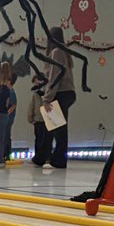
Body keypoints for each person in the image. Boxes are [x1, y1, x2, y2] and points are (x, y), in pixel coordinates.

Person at [40, 26, 76, 169]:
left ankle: (58, 160)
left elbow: (55, 76)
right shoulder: (63, 52)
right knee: (54, 126)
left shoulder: (57, 52)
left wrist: (47, 98)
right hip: (66, 92)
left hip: (61, 92)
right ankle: (47, 157)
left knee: (58, 128)